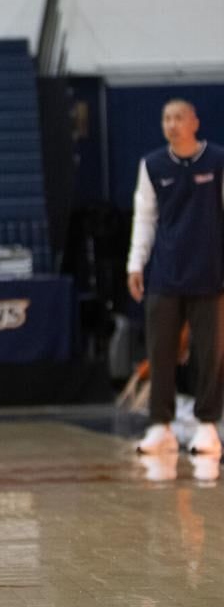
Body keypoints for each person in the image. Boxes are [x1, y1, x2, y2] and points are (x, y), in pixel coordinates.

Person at [127, 99, 224, 457]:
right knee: (161, 351)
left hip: (210, 273)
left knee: (210, 355)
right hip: (166, 274)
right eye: (166, 118)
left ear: (195, 122)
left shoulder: (217, 160)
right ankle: (160, 427)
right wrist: (135, 264)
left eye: (179, 117)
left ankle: (207, 426)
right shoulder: (152, 165)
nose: (172, 124)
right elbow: (144, 218)